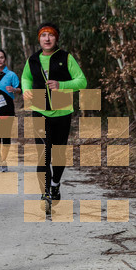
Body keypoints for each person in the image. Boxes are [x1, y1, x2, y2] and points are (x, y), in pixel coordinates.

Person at [21, 23, 87, 207]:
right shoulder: (32, 60)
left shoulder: (65, 58)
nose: (47, 39)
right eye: (43, 35)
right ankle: (46, 195)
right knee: (43, 154)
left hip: (62, 112)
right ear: (39, 39)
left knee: (58, 155)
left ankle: (55, 184)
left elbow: (82, 81)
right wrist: (26, 89)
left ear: (56, 38)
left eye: (51, 35)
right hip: (40, 111)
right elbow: (26, 77)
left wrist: (62, 85)